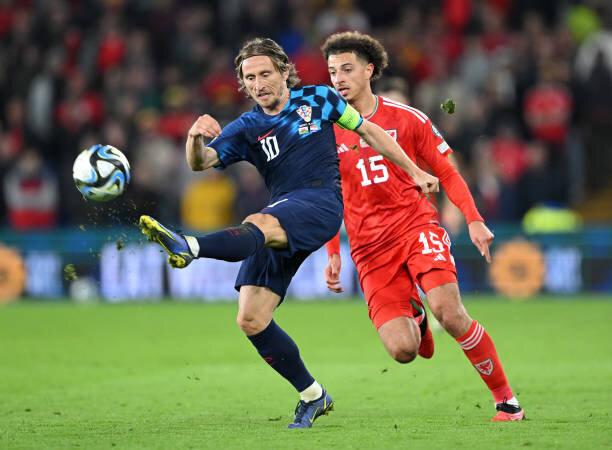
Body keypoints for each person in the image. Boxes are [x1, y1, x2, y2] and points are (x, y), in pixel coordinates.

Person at [138, 37, 438, 429]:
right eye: (250, 78)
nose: (259, 83)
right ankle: (313, 395)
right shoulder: (247, 127)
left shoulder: (318, 99)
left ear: (284, 72)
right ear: (243, 85)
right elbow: (202, 162)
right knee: (251, 317)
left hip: (320, 204)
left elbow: (370, 132)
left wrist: (413, 170)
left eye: (265, 74)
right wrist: (194, 138)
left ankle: (189, 245)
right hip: (281, 213)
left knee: (259, 222)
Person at [321, 31, 525, 422]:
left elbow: (447, 171)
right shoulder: (325, 132)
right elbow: (330, 197)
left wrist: (475, 219)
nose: (339, 78)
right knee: (403, 350)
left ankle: (506, 400)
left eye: (347, 69)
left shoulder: (407, 119)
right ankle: (415, 316)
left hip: (415, 227)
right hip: (368, 248)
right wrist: (333, 252)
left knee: (449, 311)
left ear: (369, 70)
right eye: (332, 72)